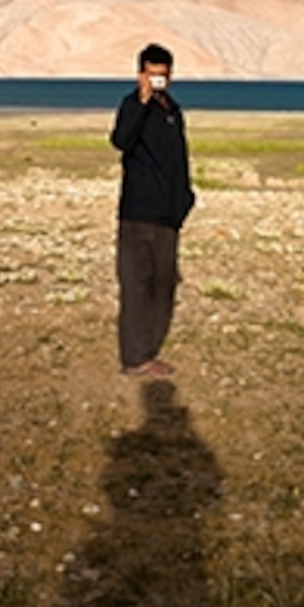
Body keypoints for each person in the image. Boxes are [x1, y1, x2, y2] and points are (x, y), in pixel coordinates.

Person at [110, 42, 195, 378]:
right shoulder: (133, 105)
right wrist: (142, 101)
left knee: (164, 286)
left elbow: (178, 160)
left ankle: (149, 350)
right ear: (141, 74)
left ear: (170, 75)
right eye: (152, 75)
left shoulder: (172, 111)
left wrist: (185, 199)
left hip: (168, 215)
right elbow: (121, 141)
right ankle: (134, 358)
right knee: (136, 284)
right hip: (138, 213)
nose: (158, 81)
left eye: (163, 75)